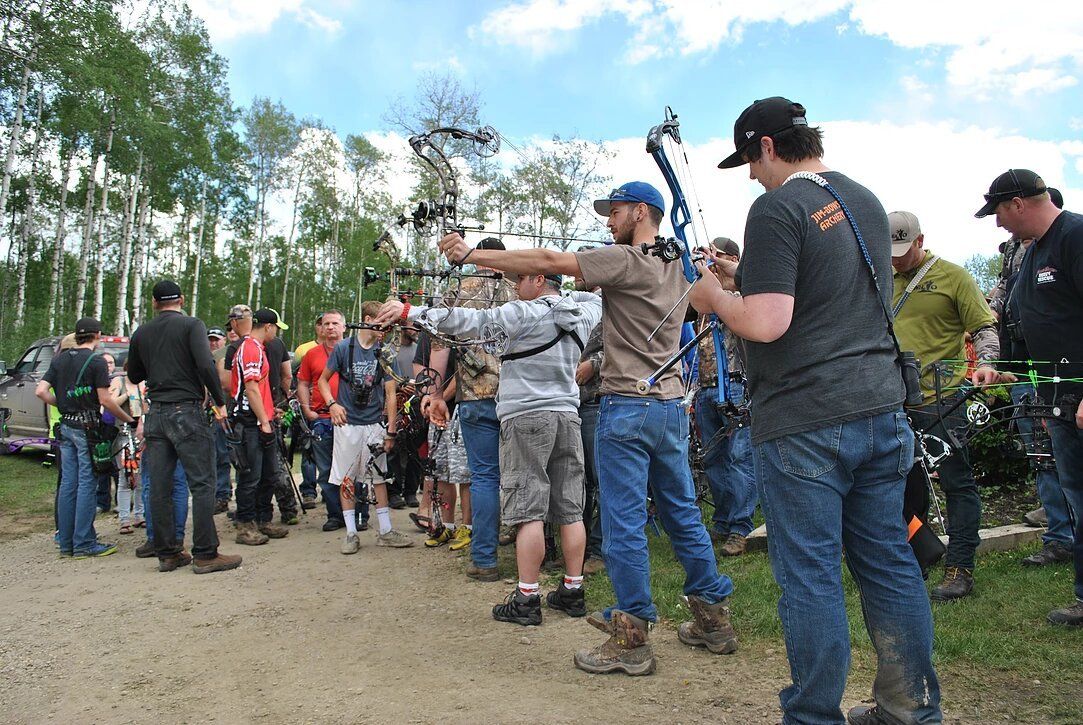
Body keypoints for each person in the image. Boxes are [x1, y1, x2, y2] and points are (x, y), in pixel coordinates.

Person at [697, 97, 940, 722]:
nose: (753, 176)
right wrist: (743, 274)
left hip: (804, 420)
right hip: (880, 408)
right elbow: (827, 289)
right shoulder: (863, 199)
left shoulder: (776, 206)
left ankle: (812, 715)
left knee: (810, 576)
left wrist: (714, 296)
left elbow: (766, 322)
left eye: (752, 162)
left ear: (768, 146)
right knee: (888, 563)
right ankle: (910, 709)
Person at [436, 183, 737, 676]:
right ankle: (713, 619)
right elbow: (712, 301)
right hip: (666, 408)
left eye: (615, 212)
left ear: (641, 212)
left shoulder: (627, 258)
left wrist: (474, 255)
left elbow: (548, 261)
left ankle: (631, 634)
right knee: (683, 514)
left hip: (627, 407)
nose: (609, 221)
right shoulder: (680, 263)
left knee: (623, 523)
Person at [377, 271, 602, 625]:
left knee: (528, 510)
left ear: (538, 280)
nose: (515, 286)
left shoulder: (523, 312)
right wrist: (575, 289)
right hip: (567, 417)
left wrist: (410, 312)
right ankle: (573, 590)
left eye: (520, 278)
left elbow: (465, 320)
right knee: (571, 508)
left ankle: (527, 598)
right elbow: (601, 297)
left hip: (526, 417)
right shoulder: (583, 310)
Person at [975, 169, 1083, 626]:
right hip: (1057, 399)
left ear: (1018, 203)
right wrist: (1007, 368)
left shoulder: (1074, 236)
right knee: (1077, 498)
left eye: (999, 212)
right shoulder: (1031, 252)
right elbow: (1033, 325)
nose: (998, 223)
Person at [889, 210, 1002, 601]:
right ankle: (915, 559)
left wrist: (986, 362)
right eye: (889, 252)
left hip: (943, 400)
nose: (896, 259)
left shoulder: (953, 276)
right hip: (894, 402)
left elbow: (984, 326)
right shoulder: (880, 278)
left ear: (920, 240)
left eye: (903, 251)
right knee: (903, 487)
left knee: (956, 483)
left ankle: (960, 567)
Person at [128, 281, 241, 573]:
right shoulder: (192, 325)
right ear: (181, 299)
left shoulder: (142, 332)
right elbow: (205, 364)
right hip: (186, 411)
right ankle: (205, 553)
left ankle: (168, 553)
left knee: (160, 485)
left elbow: (135, 373)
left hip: (156, 413)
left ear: (154, 303)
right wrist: (219, 401)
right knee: (202, 483)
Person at [420, 239, 517, 581]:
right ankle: (534, 554)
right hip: (517, 397)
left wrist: (435, 395)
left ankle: (485, 559)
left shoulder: (458, 292)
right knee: (523, 475)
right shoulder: (518, 290)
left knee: (485, 477)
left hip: (475, 397)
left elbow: (439, 343)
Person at [988, 193, 1073, 566]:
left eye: (1002, 213)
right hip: (1022, 367)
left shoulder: (1063, 244)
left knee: (1060, 452)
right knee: (1041, 453)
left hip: (1056, 373)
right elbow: (1005, 298)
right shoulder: (1014, 251)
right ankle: (1060, 534)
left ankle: (1065, 532)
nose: (1000, 224)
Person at [36, 317, 134, 558]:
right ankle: (84, 542)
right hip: (87, 428)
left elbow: (41, 391)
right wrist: (128, 419)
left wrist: (64, 404)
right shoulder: (96, 361)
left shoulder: (59, 360)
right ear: (97, 336)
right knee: (88, 482)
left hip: (66, 426)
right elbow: (105, 400)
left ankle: (66, 542)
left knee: (69, 483)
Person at [318, 301, 412, 554]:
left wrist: (391, 430)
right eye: (383, 322)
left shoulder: (385, 353)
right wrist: (332, 404)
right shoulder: (343, 348)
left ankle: (386, 530)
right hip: (347, 424)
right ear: (368, 319)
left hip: (374, 424)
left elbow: (391, 394)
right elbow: (322, 381)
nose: (387, 328)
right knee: (347, 478)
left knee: (379, 477)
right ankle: (350, 533)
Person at [694, 236, 756, 557]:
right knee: (713, 459)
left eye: (716, 255)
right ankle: (722, 520)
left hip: (736, 386)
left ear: (731, 259)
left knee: (739, 457)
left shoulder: (742, 294)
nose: (710, 261)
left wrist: (712, 269)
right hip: (706, 387)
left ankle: (741, 526)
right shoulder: (707, 299)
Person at [229, 309, 292, 546]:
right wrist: (264, 420)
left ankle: (263, 518)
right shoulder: (251, 348)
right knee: (250, 476)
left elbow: (260, 389)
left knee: (269, 473)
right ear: (268, 326)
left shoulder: (258, 348)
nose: (276, 334)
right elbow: (251, 388)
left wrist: (269, 412)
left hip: (261, 418)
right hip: (249, 422)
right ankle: (245, 524)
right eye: (276, 328)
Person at [297, 310, 348, 531]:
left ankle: (358, 514)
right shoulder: (312, 354)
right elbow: (302, 383)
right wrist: (307, 410)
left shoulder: (353, 350)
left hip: (350, 419)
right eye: (326, 324)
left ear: (344, 327)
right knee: (326, 470)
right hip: (322, 419)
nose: (330, 327)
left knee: (352, 469)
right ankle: (335, 515)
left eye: (335, 323)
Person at [575, 297, 605, 576]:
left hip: (597, 402)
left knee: (602, 481)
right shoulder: (571, 307)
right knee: (579, 483)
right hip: (573, 405)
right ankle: (578, 548)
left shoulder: (613, 306)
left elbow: (627, 347)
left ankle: (599, 550)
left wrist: (594, 364)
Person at [110, 360, 146, 534]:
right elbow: (110, 403)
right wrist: (127, 394)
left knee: (141, 477)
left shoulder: (144, 384)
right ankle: (124, 519)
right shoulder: (119, 382)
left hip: (140, 433)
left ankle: (140, 515)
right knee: (125, 477)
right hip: (124, 433)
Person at [208, 327, 233, 513]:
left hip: (237, 409)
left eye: (217, 339)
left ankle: (244, 498)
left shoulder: (238, 350)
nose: (214, 343)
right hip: (218, 410)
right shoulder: (210, 357)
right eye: (211, 340)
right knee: (220, 455)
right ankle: (222, 495)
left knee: (241, 456)